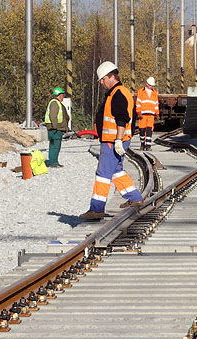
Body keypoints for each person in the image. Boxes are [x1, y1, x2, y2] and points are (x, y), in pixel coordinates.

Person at [80, 61, 144, 221]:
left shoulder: (118, 94)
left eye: (103, 79)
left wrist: (118, 140)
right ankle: (135, 197)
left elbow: (123, 119)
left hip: (112, 141)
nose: (101, 82)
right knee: (116, 170)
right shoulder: (119, 92)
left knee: (103, 174)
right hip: (115, 140)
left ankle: (96, 209)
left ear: (112, 77)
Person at [44, 86, 72, 167]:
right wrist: (55, 127)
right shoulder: (54, 103)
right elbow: (53, 116)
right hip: (55, 130)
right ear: (59, 95)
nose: (63, 96)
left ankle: (54, 161)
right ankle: (53, 162)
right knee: (55, 146)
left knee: (56, 145)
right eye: (62, 94)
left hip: (57, 129)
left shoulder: (57, 103)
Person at [134, 76, 160, 150]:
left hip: (151, 115)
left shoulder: (154, 93)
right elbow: (138, 103)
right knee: (142, 130)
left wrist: (157, 113)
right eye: (149, 85)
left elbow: (156, 104)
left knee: (149, 130)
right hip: (143, 115)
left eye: (152, 85)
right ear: (146, 84)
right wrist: (138, 112)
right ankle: (142, 143)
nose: (150, 86)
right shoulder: (141, 92)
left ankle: (148, 146)